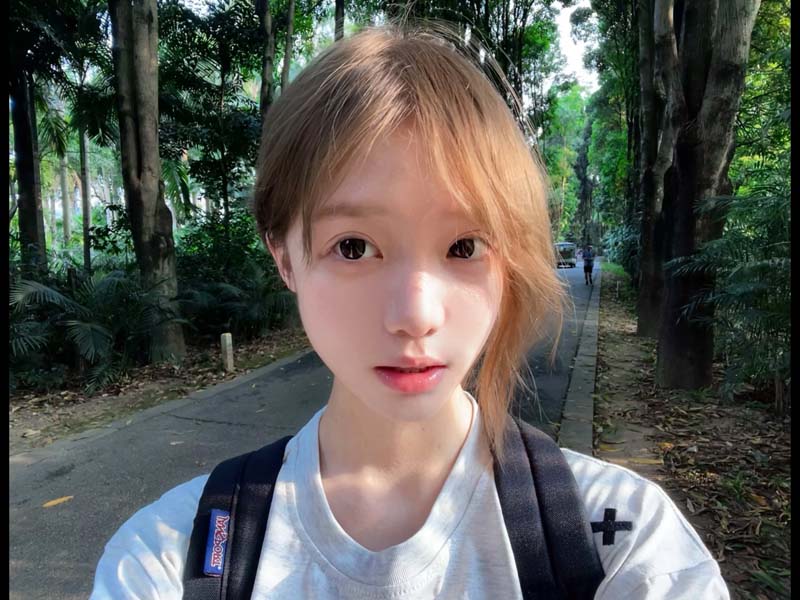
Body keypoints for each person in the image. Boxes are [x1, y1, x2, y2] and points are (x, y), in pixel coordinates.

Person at [91, 22, 729, 599]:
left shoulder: (623, 546)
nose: (415, 316)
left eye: (464, 246)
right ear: (283, 256)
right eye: (353, 247)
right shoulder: (170, 559)